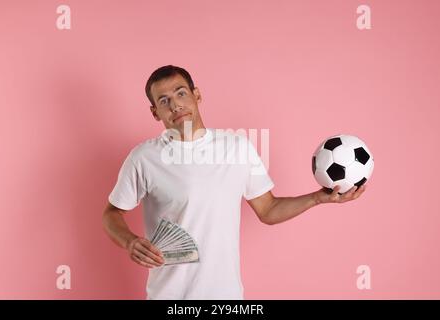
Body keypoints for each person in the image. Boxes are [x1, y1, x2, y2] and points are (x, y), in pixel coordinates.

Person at [102, 65, 366, 300]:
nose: (175, 105)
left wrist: (318, 197)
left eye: (181, 93)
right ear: (155, 112)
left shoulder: (238, 147)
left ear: (197, 95)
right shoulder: (144, 158)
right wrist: (130, 241)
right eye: (164, 100)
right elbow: (112, 213)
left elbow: (268, 210)